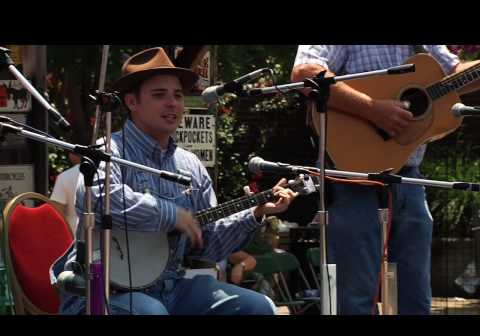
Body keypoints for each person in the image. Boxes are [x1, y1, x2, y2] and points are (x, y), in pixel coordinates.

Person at [57, 47, 297, 315]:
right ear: (131, 102)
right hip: (105, 291)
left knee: (258, 306)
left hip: (173, 287)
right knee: (152, 312)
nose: (172, 103)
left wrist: (255, 213)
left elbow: (210, 245)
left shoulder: (190, 165)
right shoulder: (108, 151)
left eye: (178, 95)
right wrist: (171, 214)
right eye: (159, 95)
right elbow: (100, 200)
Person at [291, 45, 480, 315]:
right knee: (353, 298)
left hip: (409, 180)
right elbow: (304, 72)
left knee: (415, 295)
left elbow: (454, 75)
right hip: (353, 178)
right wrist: (373, 110)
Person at [50, 152, 81, 235]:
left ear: (72, 155)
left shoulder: (65, 177)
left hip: (74, 236)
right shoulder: (107, 172)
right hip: (105, 236)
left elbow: (56, 214)